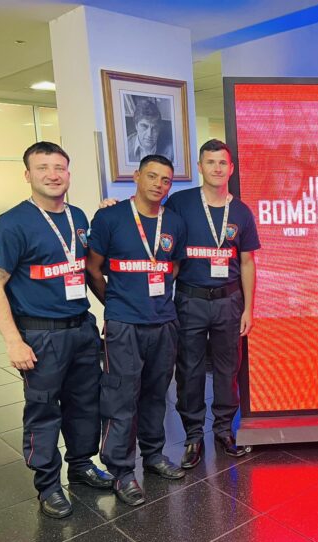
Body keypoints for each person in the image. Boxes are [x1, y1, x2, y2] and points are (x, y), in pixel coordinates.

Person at [0, 142, 113, 519]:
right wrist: (13, 341)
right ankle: (48, 484)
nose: (52, 175)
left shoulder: (79, 217)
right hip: (40, 335)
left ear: (68, 174)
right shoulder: (12, 223)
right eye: (42, 168)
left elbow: (87, 269)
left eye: (59, 168)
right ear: (27, 175)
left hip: (81, 328)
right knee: (43, 410)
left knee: (85, 403)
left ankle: (81, 464)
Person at [87, 154, 187, 506]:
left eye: (165, 180)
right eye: (152, 176)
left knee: (157, 394)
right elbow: (93, 268)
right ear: (137, 177)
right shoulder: (110, 217)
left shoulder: (174, 222)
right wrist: (116, 302)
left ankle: (154, 454)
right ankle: (121, 470)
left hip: (163, 322)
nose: (158, 184)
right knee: (121, 397)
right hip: (124, 324)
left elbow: (173, 266)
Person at [165, 139, 259, 467]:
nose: (217, 168)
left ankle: (223, 430)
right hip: (189, 299)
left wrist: (248, 308)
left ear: (231, 169)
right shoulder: (180, 203)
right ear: (200, 167)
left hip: (228, 301)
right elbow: (150, 221)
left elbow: (247, 262)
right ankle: (193, 436)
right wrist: (113, 207)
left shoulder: (242, 211)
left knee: (227, 368)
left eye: (222, 163)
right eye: (210, 162)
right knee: (189, 369)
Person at [126, 98, 174, 163]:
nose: (149, 134)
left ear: (159, 128)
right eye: (144, 126)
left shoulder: (171, 149)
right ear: (136, 126)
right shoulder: (125, 147)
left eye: (154, 128)